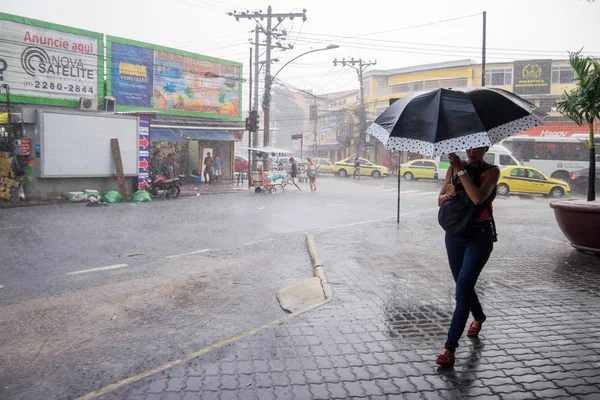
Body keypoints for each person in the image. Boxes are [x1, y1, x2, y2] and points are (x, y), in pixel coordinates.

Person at [436, 147, 500, 367]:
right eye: (469, 148)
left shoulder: (491, 172)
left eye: (478, 148)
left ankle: (449, 348)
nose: (472, 152)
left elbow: (477, 198)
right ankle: (479, 316)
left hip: (479, 236)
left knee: (462, 288)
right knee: (463, 284)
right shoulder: (453, 170)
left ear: (486, 148)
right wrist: (448, 194)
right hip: (454, 234)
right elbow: (440, 200)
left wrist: (460, 170)